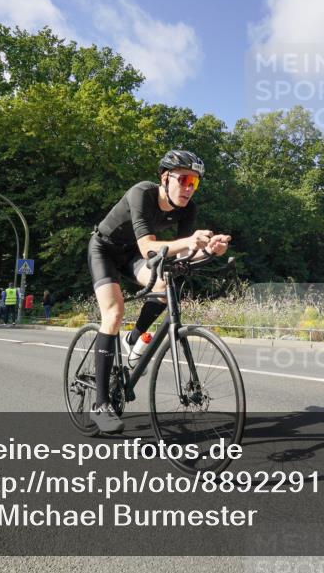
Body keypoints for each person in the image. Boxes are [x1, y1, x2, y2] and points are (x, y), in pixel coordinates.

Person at [87, 150, 231, 433]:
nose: (189, 188)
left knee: (167, 285)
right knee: (114, 313)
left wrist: (210, 251)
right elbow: (147, 248)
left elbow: (185, 255)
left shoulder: (188, 209)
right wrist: (191, 241)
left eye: (195, 183)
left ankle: (136, 334)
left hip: (133, 257)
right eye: (184, 180)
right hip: (104, 249)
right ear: (165, 177)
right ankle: (100, 405)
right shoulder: (142, 193)